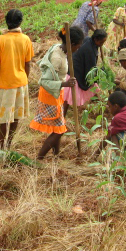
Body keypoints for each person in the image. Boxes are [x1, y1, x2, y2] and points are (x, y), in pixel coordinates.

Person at [30, 26, 82, 160]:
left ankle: (56, 155)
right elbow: (44, 81)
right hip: (50, 95)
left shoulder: (59, 48)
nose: (79, 48)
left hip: (56, 93)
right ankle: (39, 158)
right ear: (72, 44)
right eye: (78, 45)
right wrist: (65, 84)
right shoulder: (57, 57)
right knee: (60, 130)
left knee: (57, 127)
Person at [0, 9, 34, 149]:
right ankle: (9, 143)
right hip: (20, 82)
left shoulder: (0, 40)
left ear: (6, 22)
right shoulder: (25, 39)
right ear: (20, 22)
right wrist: (25, 80)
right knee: (15, 117)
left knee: (4, 119)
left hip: (5, 84)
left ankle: (1, 147)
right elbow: (28, 64)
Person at [64, 29, 108, 114]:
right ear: (95, 39)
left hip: (74, 66)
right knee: (67, 97)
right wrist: (101, 73)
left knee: (94, 88)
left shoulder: (89, 40)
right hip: (75, 71)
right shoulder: (89, 50)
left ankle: (101, 105)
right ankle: (61, 117)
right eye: (101, 43)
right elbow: (90, 72)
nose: (102, 45)